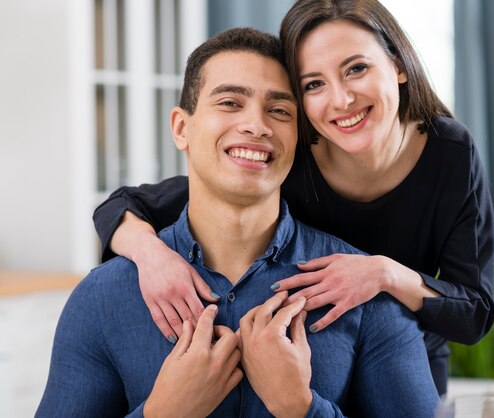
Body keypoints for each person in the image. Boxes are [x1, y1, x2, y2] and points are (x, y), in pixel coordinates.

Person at [93, 0, 494, 396]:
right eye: (313, 84)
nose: (341, 100)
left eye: (356, 68)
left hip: (405, 363)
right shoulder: (288, 157)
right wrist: (153, 257)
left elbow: (474, 312)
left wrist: (384, 274)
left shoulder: (450, 153)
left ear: (399, 65)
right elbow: (125, 205)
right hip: (308, 359)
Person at [37, 27, 439, 417]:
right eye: (230, 103)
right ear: (181, 128)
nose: (257, 125)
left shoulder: (364, 293)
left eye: (279, 110)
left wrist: (301, 408)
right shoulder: (100, 298)